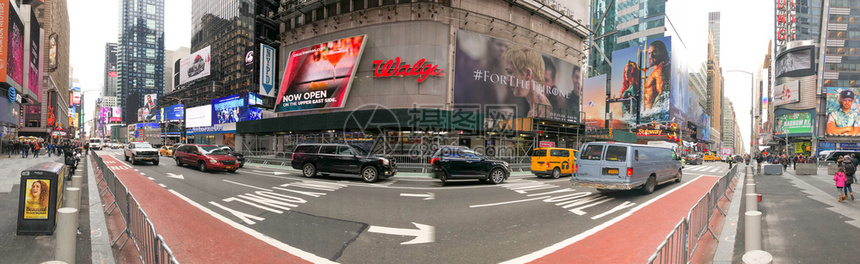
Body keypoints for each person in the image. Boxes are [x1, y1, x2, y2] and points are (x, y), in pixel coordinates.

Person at [502, 47, 553, 118]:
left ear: (528, 74)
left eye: (510, 72)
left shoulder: (538, 113)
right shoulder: (537, 108)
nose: (507, 80)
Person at [641, 40, 670, 111]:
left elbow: (662, 94)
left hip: (653, 117)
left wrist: (656, 115)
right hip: (649, 115)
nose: (651, 56)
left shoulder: (659, 70)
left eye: (654, 52)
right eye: (649, 53)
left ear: (662, 52)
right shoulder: (657, 70)